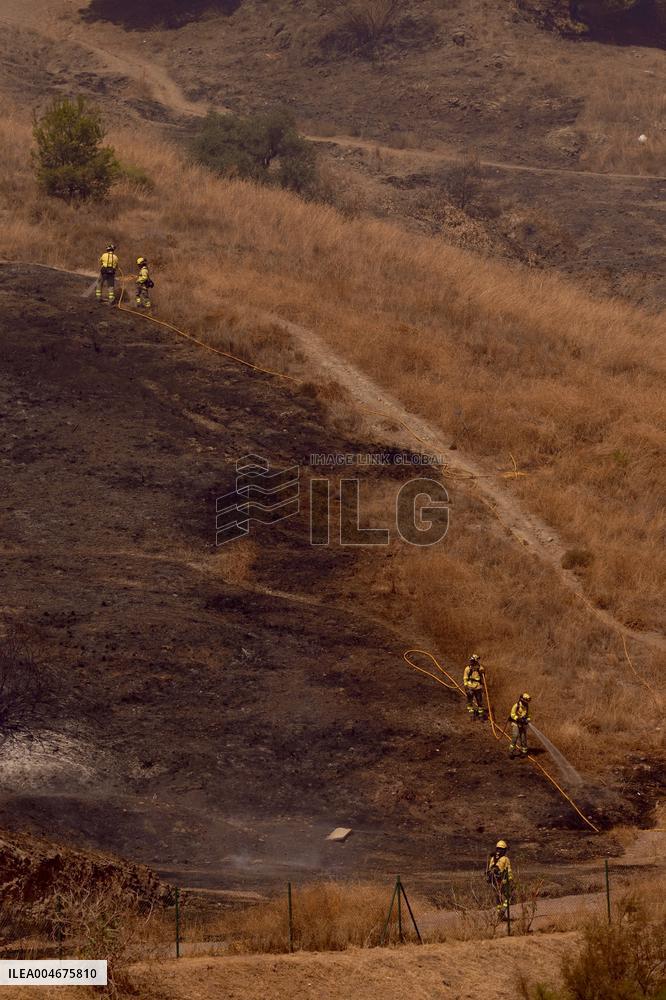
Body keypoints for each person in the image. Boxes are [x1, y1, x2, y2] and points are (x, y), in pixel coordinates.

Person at [486, 839, 513, 919]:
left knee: (498, 898)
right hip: (503, 881)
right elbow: (509, 871)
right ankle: (503, 910)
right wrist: (510, 879)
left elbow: (489, 869)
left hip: (494, 882)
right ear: (505, 849)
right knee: (509, 897)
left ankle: (499, 913)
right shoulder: (505, 859)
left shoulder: (492, 858)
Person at [463, 653, 485, 719]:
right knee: (470, 700)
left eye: (472, 661)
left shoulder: (480, 669)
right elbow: (465, 678)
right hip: (470, 687)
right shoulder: (467, 669)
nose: (471, 662)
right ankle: (471, 713)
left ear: (476, 661)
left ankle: (481, 714)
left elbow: (483, 676)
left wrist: (483, 672)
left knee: (479, 701)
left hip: (478, 687)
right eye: (471, 661)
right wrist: (466, 686)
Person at [509, 692, 531, 758]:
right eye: (526, 700)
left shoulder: (527, 706)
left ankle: (524, 752)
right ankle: (511, 752)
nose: (527, 702)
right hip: (516, 724)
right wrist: (518, 719)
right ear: (522, 699)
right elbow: (512, 714)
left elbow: (529, 715)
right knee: (515, 737)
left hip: (523, 725)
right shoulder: (516, 706)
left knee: (523, 739)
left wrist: (527, 720)